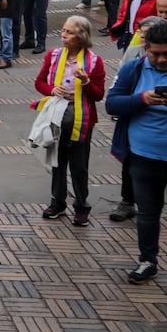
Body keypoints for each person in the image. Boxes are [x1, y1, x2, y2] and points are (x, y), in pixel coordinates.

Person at [106, 17, 167, 285]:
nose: (161, 59)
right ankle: (147, 260)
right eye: (155, 54)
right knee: (148, 214)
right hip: (142, 158)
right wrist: (141, 99)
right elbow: (112, 104)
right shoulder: (133, 70)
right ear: (146, 49)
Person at [36, 16, 106, 227]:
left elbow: (98, 95)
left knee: (79, 165)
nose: (63, 35)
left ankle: (82, 205)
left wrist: (85, 82)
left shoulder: (94, 61)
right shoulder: (54, 56)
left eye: (69, 32)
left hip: (81, 117)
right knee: (57, 162)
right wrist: (51, 90)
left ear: (81, 37)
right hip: (56, 115)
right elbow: (39, 82)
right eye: (64, 31)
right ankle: (57, 202)